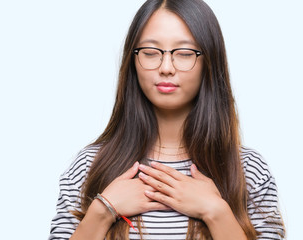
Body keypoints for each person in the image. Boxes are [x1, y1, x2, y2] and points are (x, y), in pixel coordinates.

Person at [49, 0, 285, 239]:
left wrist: (216, 211)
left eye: (184, 53)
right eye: (151, 53)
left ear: (209, 62)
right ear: (133, 61)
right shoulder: (88, 166)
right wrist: (103, 211)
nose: (166, 67)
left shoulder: (248, 170)